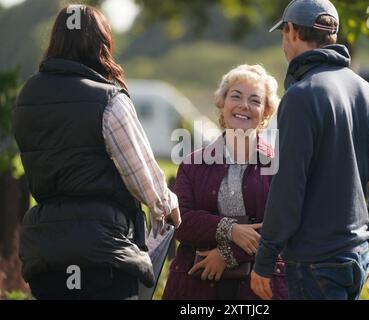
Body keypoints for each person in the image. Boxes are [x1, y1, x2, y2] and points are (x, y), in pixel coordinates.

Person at [12, 5, 180, 300]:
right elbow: (144, 180)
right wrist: (167, 207)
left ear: (55, 40)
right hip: (104, 251)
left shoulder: (27, 96)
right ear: (102, 43)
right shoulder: (108, 98)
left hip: (45, 248)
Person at [251, 0, 369, 300]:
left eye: (284, 33)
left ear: (292, 31)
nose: (284, 43)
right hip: (356, 258)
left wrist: (265, 260)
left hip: (314, 262)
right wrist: (364, 240)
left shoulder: (300, 96)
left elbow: (288, 187)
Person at [162, 65, 288, 300]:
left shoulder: (280, 167)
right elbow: (183, 222)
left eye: (255, 100)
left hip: (258, 290)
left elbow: (282, 226)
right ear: (222, 102)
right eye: (236, 96)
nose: (244, 105)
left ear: (266, 112)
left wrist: (228, 255)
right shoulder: (191, 165)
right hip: (195, 288)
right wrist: (230, 230)